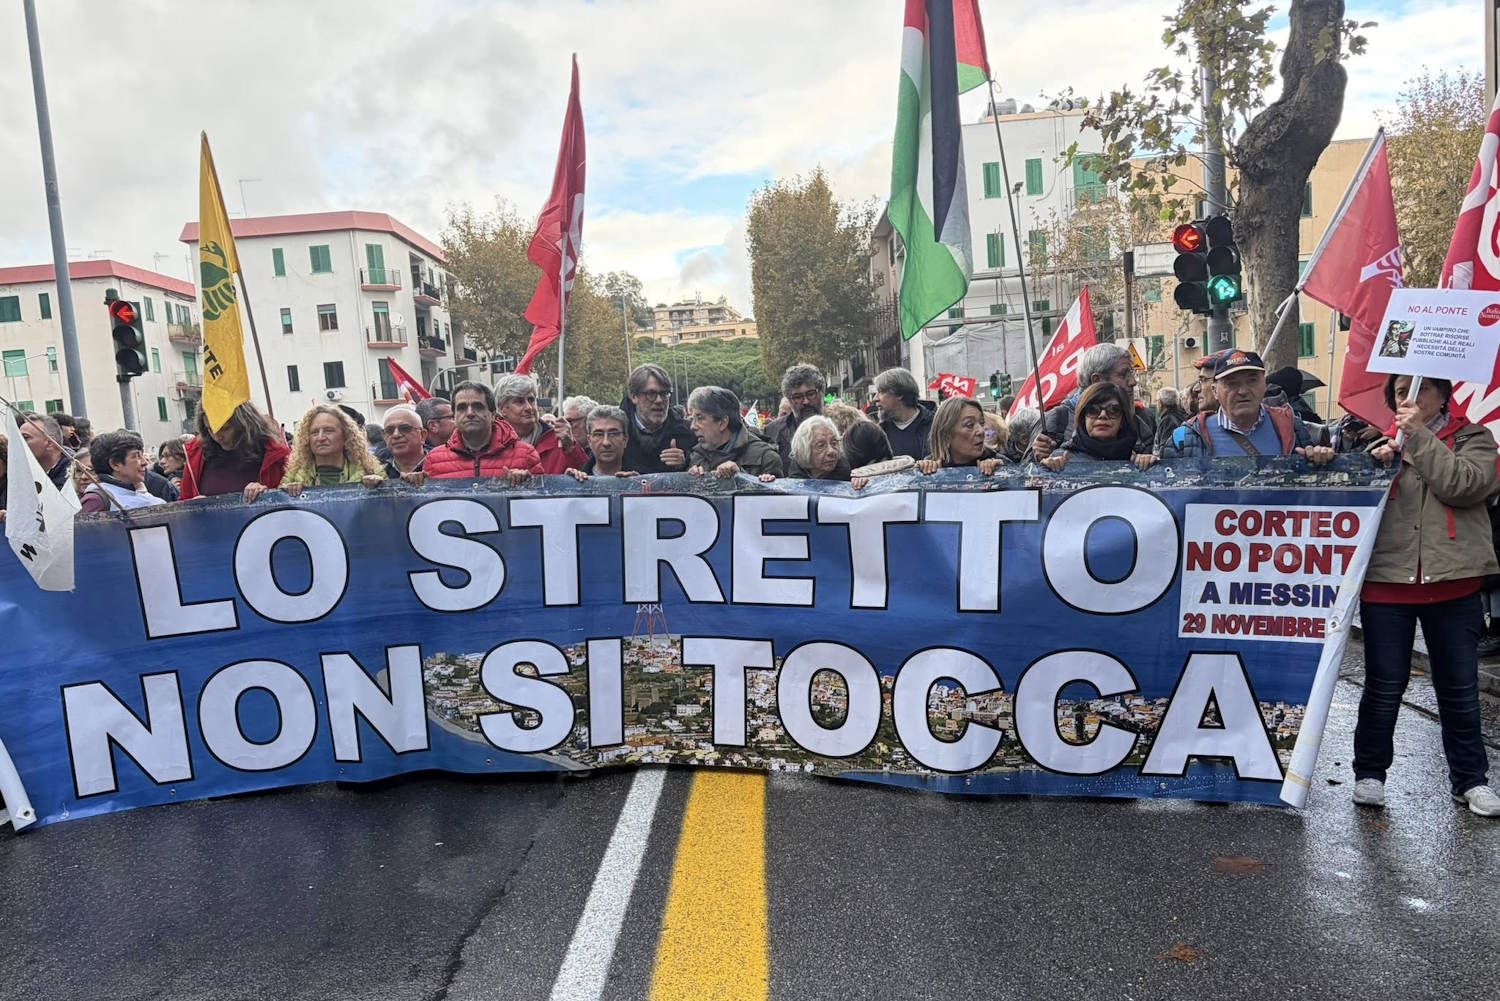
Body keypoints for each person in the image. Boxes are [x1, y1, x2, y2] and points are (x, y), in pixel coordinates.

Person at [1354, 374, 1500, 817]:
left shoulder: (1475, 438)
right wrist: (1373, 464)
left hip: (1453, 582)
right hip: (1387, 582)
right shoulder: (1379, 445)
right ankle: (1370, 774)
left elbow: (1464, 485)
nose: (1409, 400)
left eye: (1420, 391)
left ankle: (1471, 780)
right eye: (1401, 393)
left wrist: (1417, 438)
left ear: (1443, 397)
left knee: (1458, 688)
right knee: (1383, 685)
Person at [1167, 350, 1335, 463]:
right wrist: (1144, 464)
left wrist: (1321, 460)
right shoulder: (1188, 436)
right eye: (1232, 384)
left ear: (1264, 384)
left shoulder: (1292, 427)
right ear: (1215, 391)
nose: (1242, 391)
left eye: (1252, 381)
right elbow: (1167, 497)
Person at [1031, 344, 1151, 460]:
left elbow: (1156, 473)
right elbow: (1026, 473)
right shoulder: (1058, 419)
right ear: (1097, 380)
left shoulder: (1138, 423)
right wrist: (1039, 458)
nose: (1133, 382)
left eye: (1114, 411)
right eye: (1123, 374)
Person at [425, 381, 541, 483]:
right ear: (454, 416)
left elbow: (540, 502)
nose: (470, 413)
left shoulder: (526, 455)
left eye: (478, 406)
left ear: (493, 415)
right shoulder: (434, 460)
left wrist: (527, 484)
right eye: (462, 408)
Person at [179, 402, 291, 503]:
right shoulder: (196, 457)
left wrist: (267, 495)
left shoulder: (275, 456)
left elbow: (290, 504)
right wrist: (191, 507)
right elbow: (180, 510)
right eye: (210, 429)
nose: (217, 436)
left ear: (244, 424)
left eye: (225, 428)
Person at [1043, 383, 1159, 471]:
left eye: (1113, 410)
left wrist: (1152, 468)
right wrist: (1045, 471)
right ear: (1083, 417)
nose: (1103, 415)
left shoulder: (1138, 460)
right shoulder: (1061, 460)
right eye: (1093, 410)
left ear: (1123, 419)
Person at [278, 404, 385, 496]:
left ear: (346, 435)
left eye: (328, 431)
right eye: (314, 432)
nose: (320, 437)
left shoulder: (370, 470)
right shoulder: (293, 478)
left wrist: (379, 486)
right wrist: (288, 493)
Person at [494, 374, 587, 474]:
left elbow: (587, 477)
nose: (529, 407)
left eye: (531, 400)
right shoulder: (491, 445)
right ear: (502, 409)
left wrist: (571, 448)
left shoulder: (559, 441)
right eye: (520, 402)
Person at [687, 385, 782, 481]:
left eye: (699, 418)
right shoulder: (697, 457)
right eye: (692, 419)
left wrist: (742, 476)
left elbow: (774, 493)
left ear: (723, 423)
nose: (693, 426)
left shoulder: (765, 458)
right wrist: (691, 480)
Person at [620, 363, 695, 474]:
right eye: (651, 393)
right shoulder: (615, 432)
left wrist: (686, 463)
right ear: (633, 396)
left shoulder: (687, 432)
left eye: (665, 393)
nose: (659, 400)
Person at [77, 431, 168, 515]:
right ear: (115, 464)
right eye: (136, 456)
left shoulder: (138, 492)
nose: (145, 462)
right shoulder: (97, 500)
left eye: (142, 455)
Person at [916, 397, 1003, 475]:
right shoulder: (931, 466)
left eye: (982, 423)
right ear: (946, 435)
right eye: (970, 425)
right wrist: (923, 472)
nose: (981, 431)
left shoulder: (996, 461)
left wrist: (999, 471)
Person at [763, 363, 825, 469]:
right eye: (798, 397)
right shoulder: (772, 431)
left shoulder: (842, 424)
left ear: (821, 392)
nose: (805, 401)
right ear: (789, 400)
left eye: (811, 394)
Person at [874, 367, 937, 460]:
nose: (875, 399)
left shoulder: (936, 425)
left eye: (881, 392)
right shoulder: (879, 432)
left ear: (899, 394)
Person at [574, 404, 635, 479]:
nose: (606, 443)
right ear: (589, 440)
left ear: (625, 439)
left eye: (613, 434)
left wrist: (640, 487)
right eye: (599, 435)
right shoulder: (576, 481)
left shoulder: (643, 479)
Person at [378, 404, 429, 484]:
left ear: (422, 435)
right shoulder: (377, 472)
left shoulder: (441, 465)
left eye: (405, 428)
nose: (396, 435)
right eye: (389, 430)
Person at [788, 415, 850, 480]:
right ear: (804, 450)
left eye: (834, 443)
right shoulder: (795, 475)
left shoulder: (849, 479)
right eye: (821, 446)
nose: (831, 451)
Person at [18, 414, 71, 489]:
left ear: (50, 443)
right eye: (18, 437)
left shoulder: (73, 477)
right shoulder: (20, 472)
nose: (18, 442)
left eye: (25, 437)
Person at [1153, 387, 1190, 455]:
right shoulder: (1181, 416)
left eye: (1157, 401)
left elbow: (1165, 448)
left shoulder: (1167, 420)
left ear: (1161, 403)